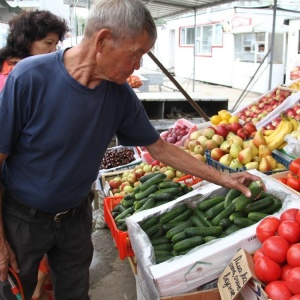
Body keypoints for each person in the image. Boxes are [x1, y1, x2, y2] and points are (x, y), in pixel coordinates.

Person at [0, 0, 261, 299]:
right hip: (22, 219)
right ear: (102, 40)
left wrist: (226, 178)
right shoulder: (30, 77)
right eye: (135, 54)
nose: (138, 65)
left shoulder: (119, 93)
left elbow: (160, 148)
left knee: (75, 293)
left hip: (75, 218)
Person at [0, 10, 68, 300]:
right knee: (14, 268)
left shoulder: (42, 74)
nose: (55, 51)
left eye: (56, 44)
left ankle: (40, 291)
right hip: (13, 191)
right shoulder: (14, 79)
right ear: (27, 43)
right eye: (48, 43)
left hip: (41, 190)